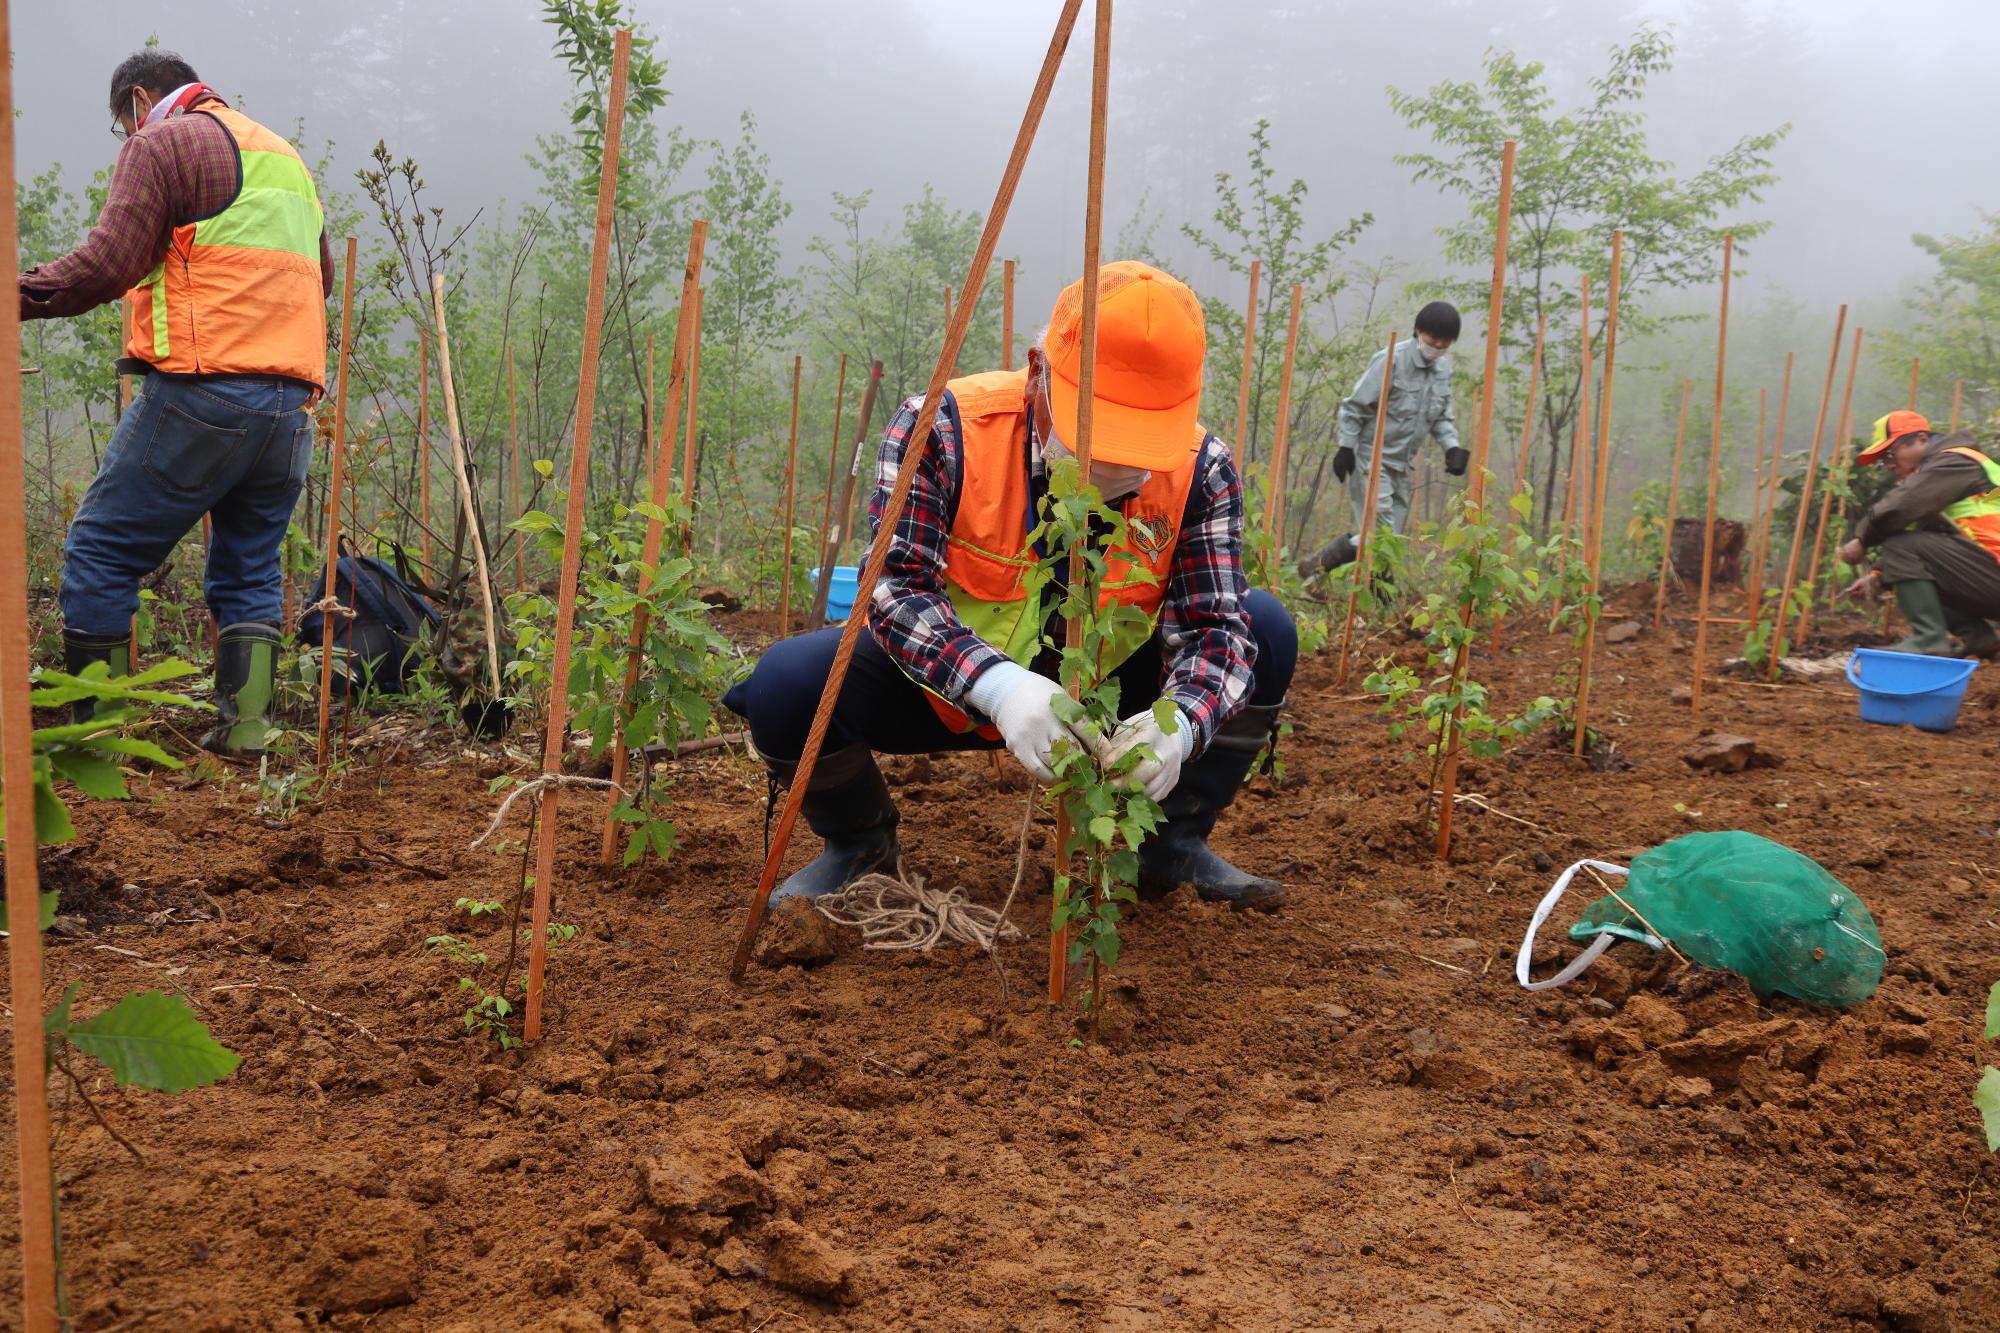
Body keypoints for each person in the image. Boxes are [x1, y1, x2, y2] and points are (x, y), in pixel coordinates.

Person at [724, 262, 1296, 911]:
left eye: (1140, 444)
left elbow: (1213, 629)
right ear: (1038, 373)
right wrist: (1001, 687)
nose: (1113, 464)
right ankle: (859, 847)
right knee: (787, 683)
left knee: (1262, 629)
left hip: (1108, 689)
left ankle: (1170, 847)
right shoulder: (941, 428)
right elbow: (895, 589)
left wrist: (1182, 726)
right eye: (1097, 432)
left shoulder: (1203, 471)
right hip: (942, 687)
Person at [20, 49, 333, 752]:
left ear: (138, 103)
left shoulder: (162, 141)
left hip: (205, 391)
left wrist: (18, 293)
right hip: (291, 407)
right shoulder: (282, 155)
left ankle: (96, 739)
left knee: (101, 547)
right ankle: (248, 734)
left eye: (120, 126)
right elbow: (324, 275)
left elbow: (107, 264)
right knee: (250, 566)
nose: (126, 139)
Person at [1297, 300, 1465, 575]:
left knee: (1391, 536)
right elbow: (1355, 406)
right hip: (1371, 459)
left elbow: (1442, 416)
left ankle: (1325, 569)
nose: (1436, 347)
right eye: (1432, 339)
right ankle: (1360, 582)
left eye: (1444, 343)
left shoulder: (1443, 371)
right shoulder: (1391, 361)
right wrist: (1346, 448)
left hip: (1403, 464)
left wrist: (1452, 447)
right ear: (1418, 331)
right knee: (1382, 530)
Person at [1838, 410, 2000, 657]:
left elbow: (1901, 507)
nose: (1889, 466)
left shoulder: (1954, 461)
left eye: (1890, 455)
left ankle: (1928, 640)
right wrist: (1880, 576)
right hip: (1989, 573)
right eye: (1884, 461)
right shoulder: (1949, 473)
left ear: (1922, 440)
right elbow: (1935, 547)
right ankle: (1977, 636)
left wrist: (1862, 538)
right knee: (1905, 553)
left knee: (1899, 543)